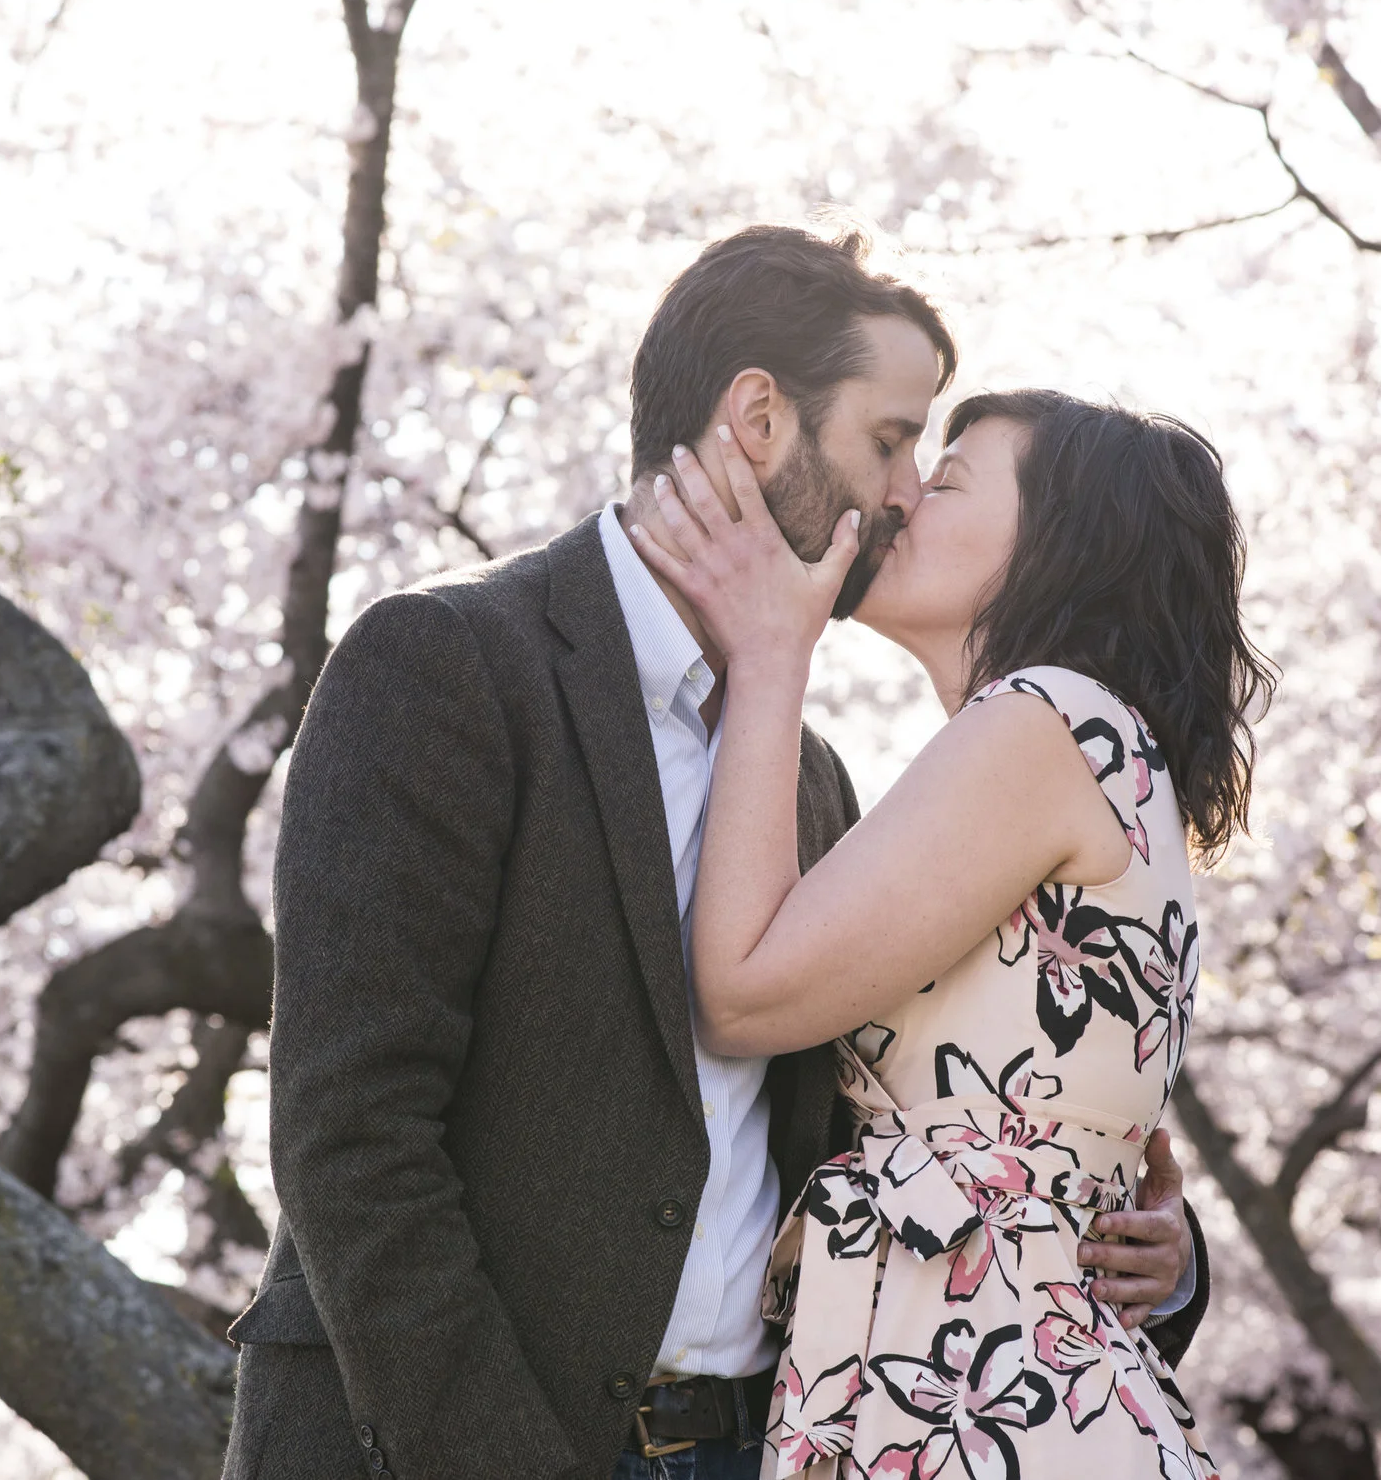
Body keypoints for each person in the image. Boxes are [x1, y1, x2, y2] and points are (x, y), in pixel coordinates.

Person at [222, 227, 1209, 1480]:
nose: (905, 490)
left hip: (763, 1441)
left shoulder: (811, 776)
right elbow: (347, 1130)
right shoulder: (449, 663)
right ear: (758, 417)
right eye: (891, 440)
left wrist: (1143, 1250)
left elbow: (904, 1128)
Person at [629, 386, 1271, 1479]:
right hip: (985, 1392)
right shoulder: (1081, 742)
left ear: (1062, 544)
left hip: (989, 1408)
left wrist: (769, 649)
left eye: (952, 478)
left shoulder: (1047, 719)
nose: (903, 495)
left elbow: (740, 993)